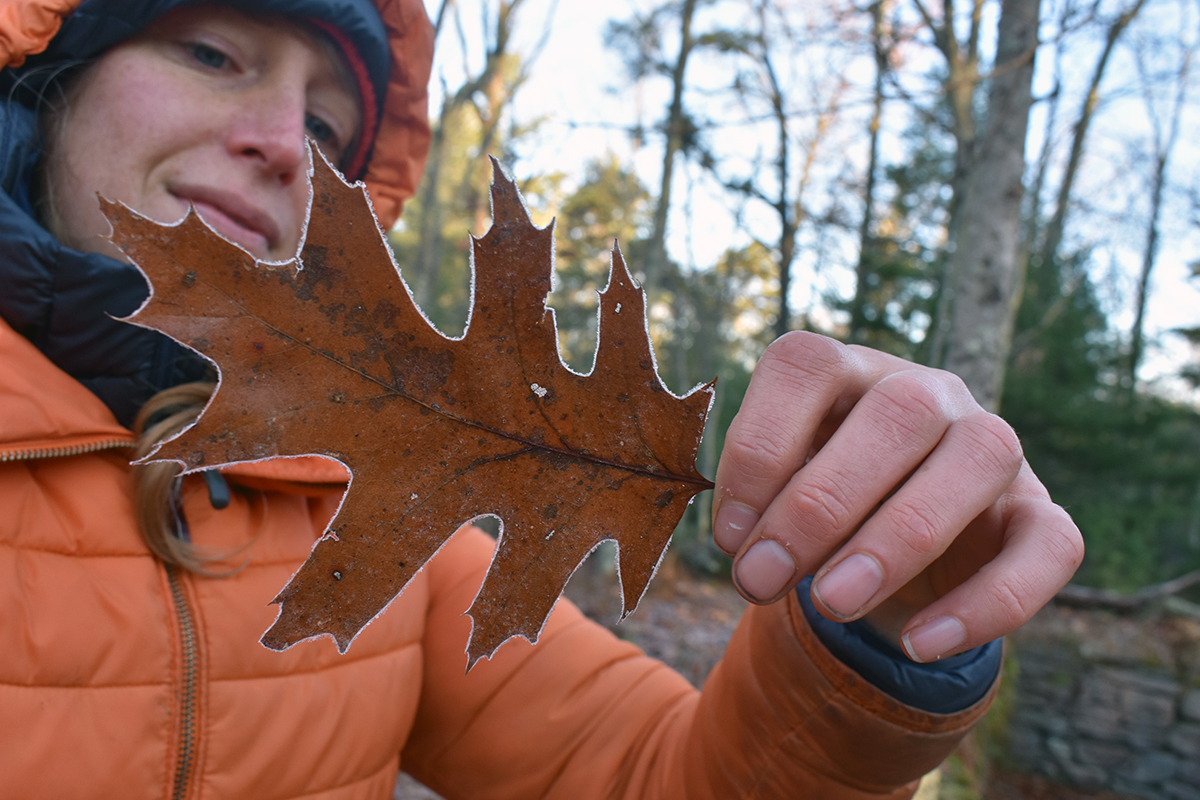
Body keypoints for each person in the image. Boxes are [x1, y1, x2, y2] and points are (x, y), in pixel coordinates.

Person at [0, 1, 1084, 798]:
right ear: (45, 78)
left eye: (330, 132)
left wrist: (879, 621)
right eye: (211, 52)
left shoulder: (368, 523)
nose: (286, 145)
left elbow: (666, 777)